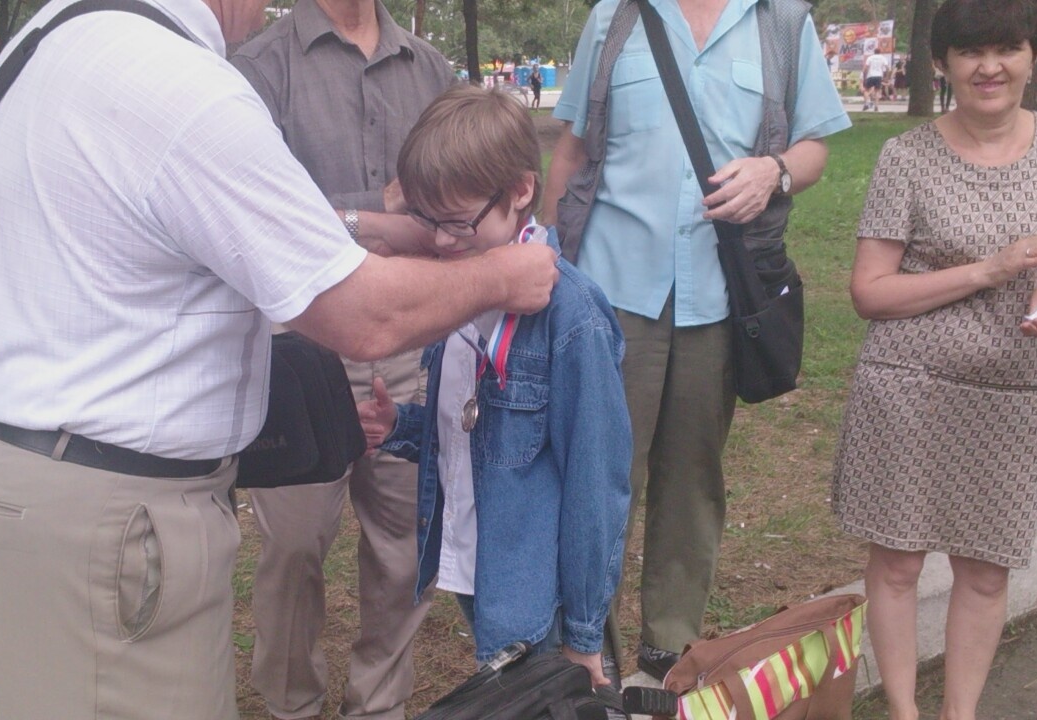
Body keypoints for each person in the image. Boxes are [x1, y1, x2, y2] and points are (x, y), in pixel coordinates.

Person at [0, 0, 560, 717]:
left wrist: (371, 227)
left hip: (9, 478)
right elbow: (364, 315)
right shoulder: (181, 84)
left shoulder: (48, 37)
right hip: (105, 519)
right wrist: (502, 275)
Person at [543, 0, 850, 682]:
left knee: (693, 478)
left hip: (718, 296)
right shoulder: (616, 17)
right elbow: (572, 148)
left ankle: (668, 651)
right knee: (599, 478)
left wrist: (774, 171)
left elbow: (815, 145)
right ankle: (585, 650)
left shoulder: (780, 23)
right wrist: (546, 265)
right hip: (611, 292)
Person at [831, 2, 1037, 719]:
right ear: (942, 63)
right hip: (909, 389)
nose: (990, 67)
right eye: (971, 53)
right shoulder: (906, 156)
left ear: (1032, 56)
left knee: (985, 573)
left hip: (1014, 392)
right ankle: (904, 711)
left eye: (1007, 49)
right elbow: (869, 292)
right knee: (897, 563)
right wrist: (990, 270)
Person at [358, 84, 631, 683]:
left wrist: (584, 632)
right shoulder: (458, 288)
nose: (441, 242)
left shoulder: (572, 319)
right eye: (427, 220)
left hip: (535, 591)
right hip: (475, 559)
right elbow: (473, 427)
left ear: (520, 191)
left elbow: (596, 483)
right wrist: (401, 426)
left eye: (458, 223)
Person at [230, 2, 451, 717]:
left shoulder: (430, 68)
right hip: (300, 353)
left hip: (409, 342)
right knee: (293, 548)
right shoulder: (260, 67)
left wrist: (343, 216)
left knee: (405, 547)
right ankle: (291, 703)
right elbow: (254, 211)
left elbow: (454, 196)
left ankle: (378, 705)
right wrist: (376, 214)